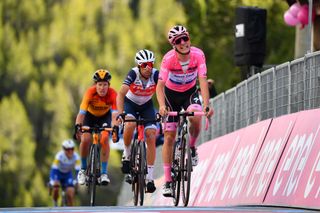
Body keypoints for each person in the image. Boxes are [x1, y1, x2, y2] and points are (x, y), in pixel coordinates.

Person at [156, 25, 214, 197]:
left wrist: (206, 104)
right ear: (173, 45)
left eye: (185, 38)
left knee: (195, 119)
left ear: (189, 38)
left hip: (189, 93)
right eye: (178, 41)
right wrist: (161, 106)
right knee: (169, 136)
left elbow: (202, 81)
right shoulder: (168, 59)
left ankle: (192, 146)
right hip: (170, 96)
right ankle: (168, 181)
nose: (183, 43)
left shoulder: (198, 55)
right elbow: (159, 86)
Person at [116, 49, 159, 193]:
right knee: (130, 124)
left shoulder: (156, 74)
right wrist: (121, 113)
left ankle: (150, 178)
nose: (148, 68)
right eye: (145, 65)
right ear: (139, 66)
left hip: (147, 105)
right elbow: (121, 94)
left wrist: (164, 108)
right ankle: (127, 154)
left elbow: (164, 92)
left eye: (151, 64)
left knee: (152, 135)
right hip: (130, 104)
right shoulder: (133, 73)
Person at [74, 69, 118, 185]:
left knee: (104, 140)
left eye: (105, 85)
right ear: (95, 85)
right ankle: (83, 170)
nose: (102, 88)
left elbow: (114, 115)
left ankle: (103, 173)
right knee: (86, 139)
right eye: (99, 85)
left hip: (105, 117)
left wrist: (115, 129)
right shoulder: (89, 93)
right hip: (89, 116)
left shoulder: (113, 94)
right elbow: (81, 113)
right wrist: (78, 127)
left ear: (109, 85)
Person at [49, 139, 80, 206]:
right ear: (64, 149)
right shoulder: (59, 156)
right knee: (56, 187)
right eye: (67, 149)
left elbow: (78, 170)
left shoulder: (76, 157)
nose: (70, 151)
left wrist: (77, 181)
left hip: (68, 174)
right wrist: (52, 180)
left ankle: (70, 210)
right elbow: (54, 169)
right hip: (58, 173)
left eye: (72, 149)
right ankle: (55, 203)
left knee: (70, 192)